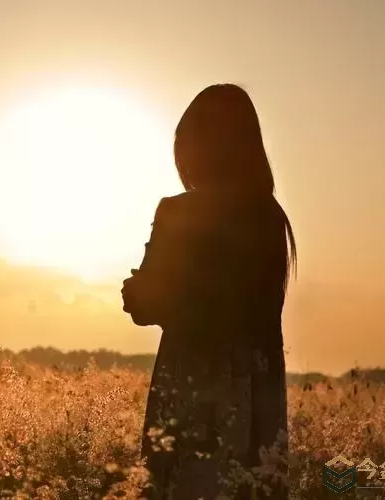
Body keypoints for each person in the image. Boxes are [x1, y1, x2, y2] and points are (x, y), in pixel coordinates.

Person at [121, 83, 296, 499]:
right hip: (257, 391)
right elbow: (252, 308)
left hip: (189, 382)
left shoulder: (179, 211)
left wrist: (138, 292)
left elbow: (148, 305)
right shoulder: (271, 217)